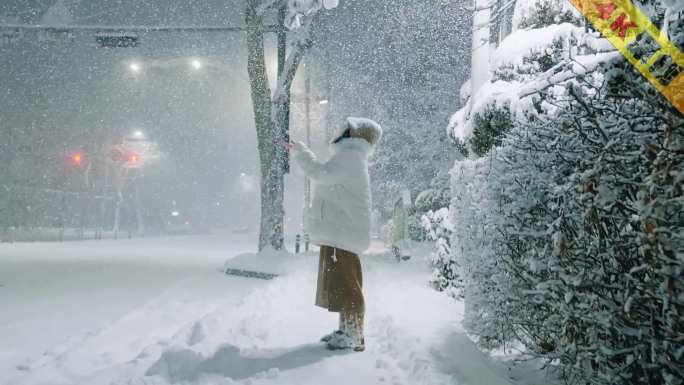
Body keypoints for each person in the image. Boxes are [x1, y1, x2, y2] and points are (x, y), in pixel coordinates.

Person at [281, 117, 382, 352]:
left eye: (347, 130)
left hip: (343, 232)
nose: (341, 132)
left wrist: (299, 151)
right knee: (341, 285)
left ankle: (353, 336)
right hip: (341, 232)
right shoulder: (351, 157)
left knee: (347, 286)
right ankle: (346, 331)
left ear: (356, 136)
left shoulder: (351, 157)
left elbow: (320, 174)